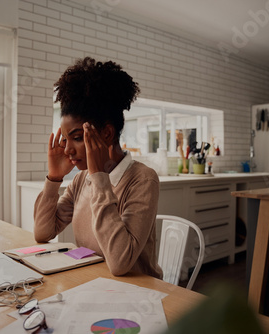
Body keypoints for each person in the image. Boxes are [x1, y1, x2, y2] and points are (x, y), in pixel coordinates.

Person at [34, 57, 163, 279]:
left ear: (106, 134)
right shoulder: (81, 180)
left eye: (76, 138)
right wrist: (54, 178)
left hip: (137, 295)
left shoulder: (142, 179)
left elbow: (120, 263)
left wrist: (99, 178)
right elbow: (43, 233)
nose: (68, 150)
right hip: (91, 283)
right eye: (65, 139)